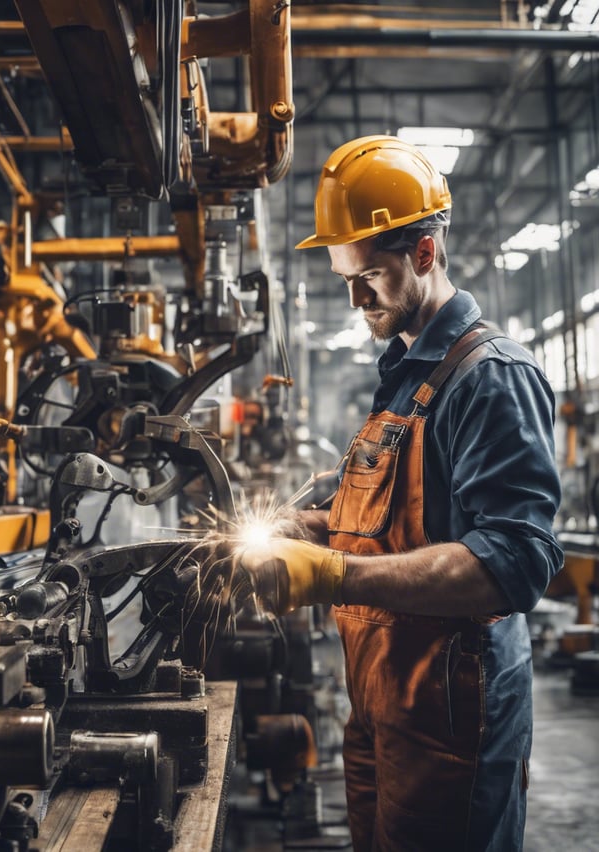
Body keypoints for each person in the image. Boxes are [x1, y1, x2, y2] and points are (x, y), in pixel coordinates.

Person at [237, 135, 563, 851]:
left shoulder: (488, 377)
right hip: (383, 702)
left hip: (455, 718)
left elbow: (513, 561)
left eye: (368, 277)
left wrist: (336, 575)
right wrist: (313, 530)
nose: (354, 299)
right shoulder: (407, 378)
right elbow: (398, 523)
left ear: (423, 253)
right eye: (344, 278)